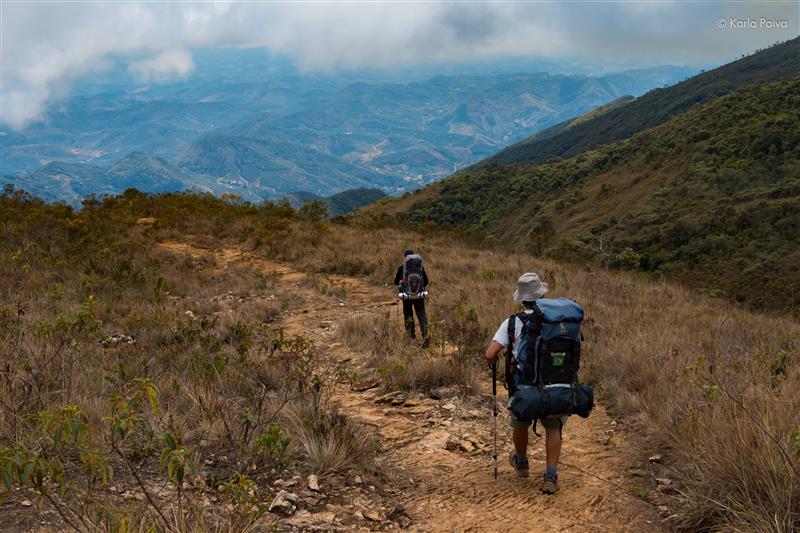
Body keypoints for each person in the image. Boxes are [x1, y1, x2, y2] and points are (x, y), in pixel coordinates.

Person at [484, 272, 566, 494]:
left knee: (520, 422)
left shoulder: (512, 322)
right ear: (541, 295)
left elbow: (490, 354)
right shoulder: (557, 319)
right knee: (553, 426)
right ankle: (550, 475)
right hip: (554, 385)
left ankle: (521, 463)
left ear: (521, 298)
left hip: (524, 386)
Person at [394, 249, 429, 345]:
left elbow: (396, 282)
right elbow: (426, 281)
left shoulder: (402, 268)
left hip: (407, 297)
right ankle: (425, 335)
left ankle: (411, 337)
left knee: (408, 316)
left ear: (405, 258)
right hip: (419, 296)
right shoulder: (420, 268)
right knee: (422, 315)